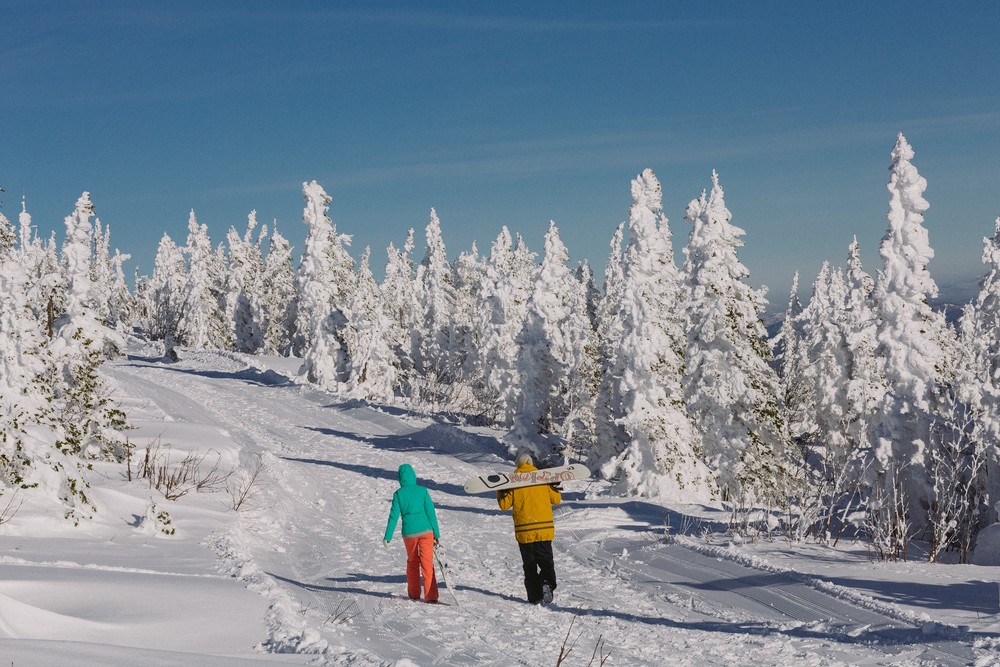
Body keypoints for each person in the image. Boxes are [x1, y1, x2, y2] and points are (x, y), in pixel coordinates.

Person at [496, 452, 562, 605]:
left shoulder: (514, 481)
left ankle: (534, 597)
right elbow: (556, 500)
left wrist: (500, 490)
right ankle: (547, 582)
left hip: (524, 530)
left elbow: (504, 505)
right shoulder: (542, 478)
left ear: (517, 465)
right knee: (546, 561)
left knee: (529, 565)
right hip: (544, 528)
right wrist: (554, 487)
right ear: (532, 464)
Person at [383, 463, 440, 603]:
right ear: (414, 476)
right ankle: (431, 595)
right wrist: (437, 534)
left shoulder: (398, 494)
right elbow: (431, 513)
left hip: (409, 534)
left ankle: (414, 593)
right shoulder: (423, 491)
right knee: (427, 562)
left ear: (400, 479)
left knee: (413, 562)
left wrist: (387, 536)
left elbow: (393, 517)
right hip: (426, 531)